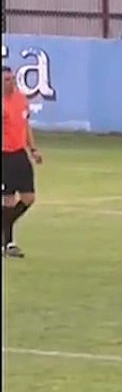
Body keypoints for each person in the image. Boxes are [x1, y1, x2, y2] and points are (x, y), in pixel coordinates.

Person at [1, 66, 41, 258]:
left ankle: (3, 229)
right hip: (5, 157)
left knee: (28, 198)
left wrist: (33, 149)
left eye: (13, 79)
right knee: (8, 201)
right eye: (7, 80)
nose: (12, 83)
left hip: (20, 155)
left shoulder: (21, 100)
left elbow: (26, 126)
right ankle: (8, 243)